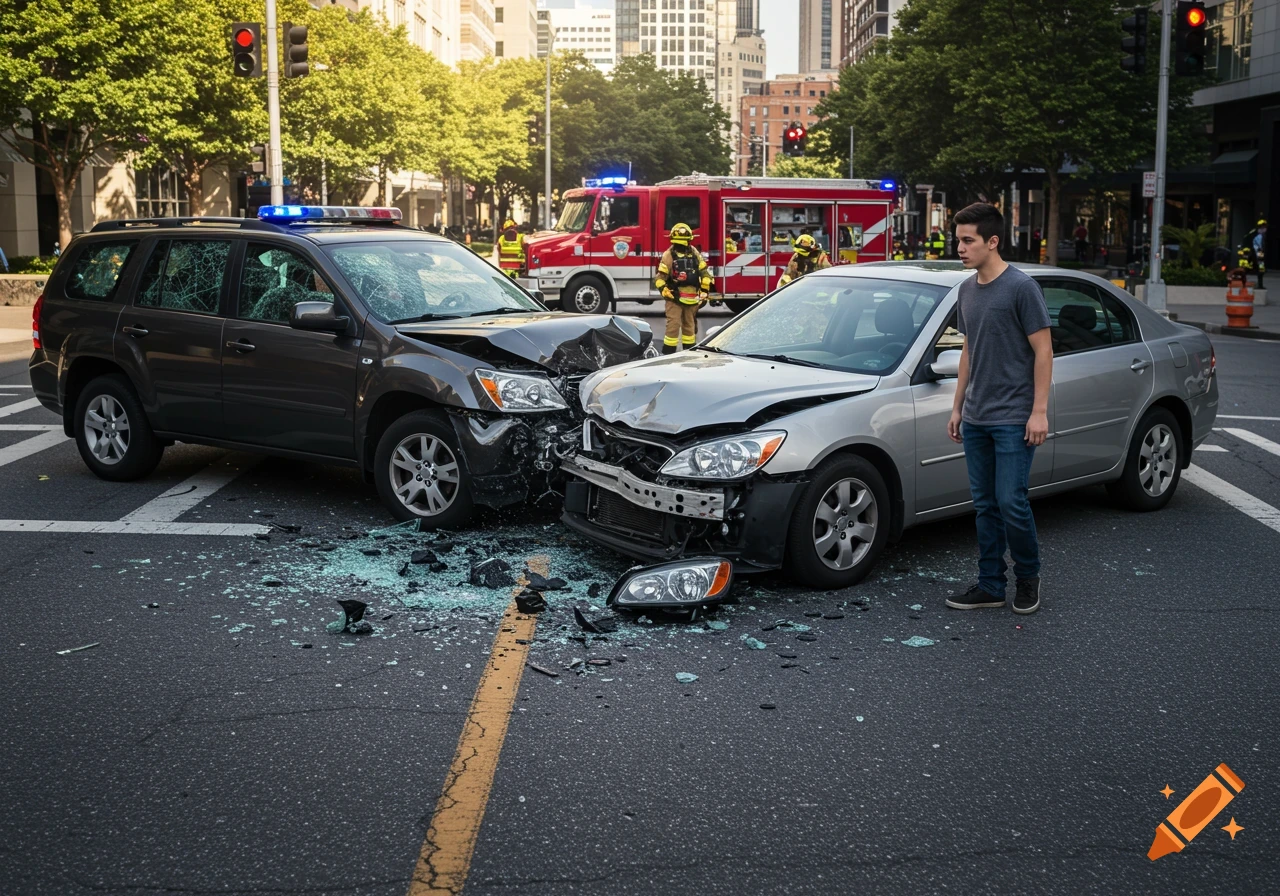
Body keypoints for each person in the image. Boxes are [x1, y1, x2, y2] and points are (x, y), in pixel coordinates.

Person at [945, 202, 1053, 615]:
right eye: (958, 240)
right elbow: (968, 350)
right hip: (976, 417)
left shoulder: (1022, 288)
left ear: (992, 241)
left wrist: (1038, 411)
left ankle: (1028, 577)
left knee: (1011, 502)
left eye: (967, 240)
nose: (960, 248)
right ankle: (991, 584)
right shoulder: (966, 290)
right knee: (985, 506)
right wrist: (957, 407)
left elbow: (1043, 351)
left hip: (1013, 418)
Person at [654, 223, 711, 354]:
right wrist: (664, 290)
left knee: (689, 328)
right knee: (673, 326)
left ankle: (688, 353)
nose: (682, 246)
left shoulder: (694, 253)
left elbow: (705, 273)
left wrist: (705, 291)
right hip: (674, 297)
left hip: (692, 299)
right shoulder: (669, 255)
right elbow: (660, 278)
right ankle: (668, 354)